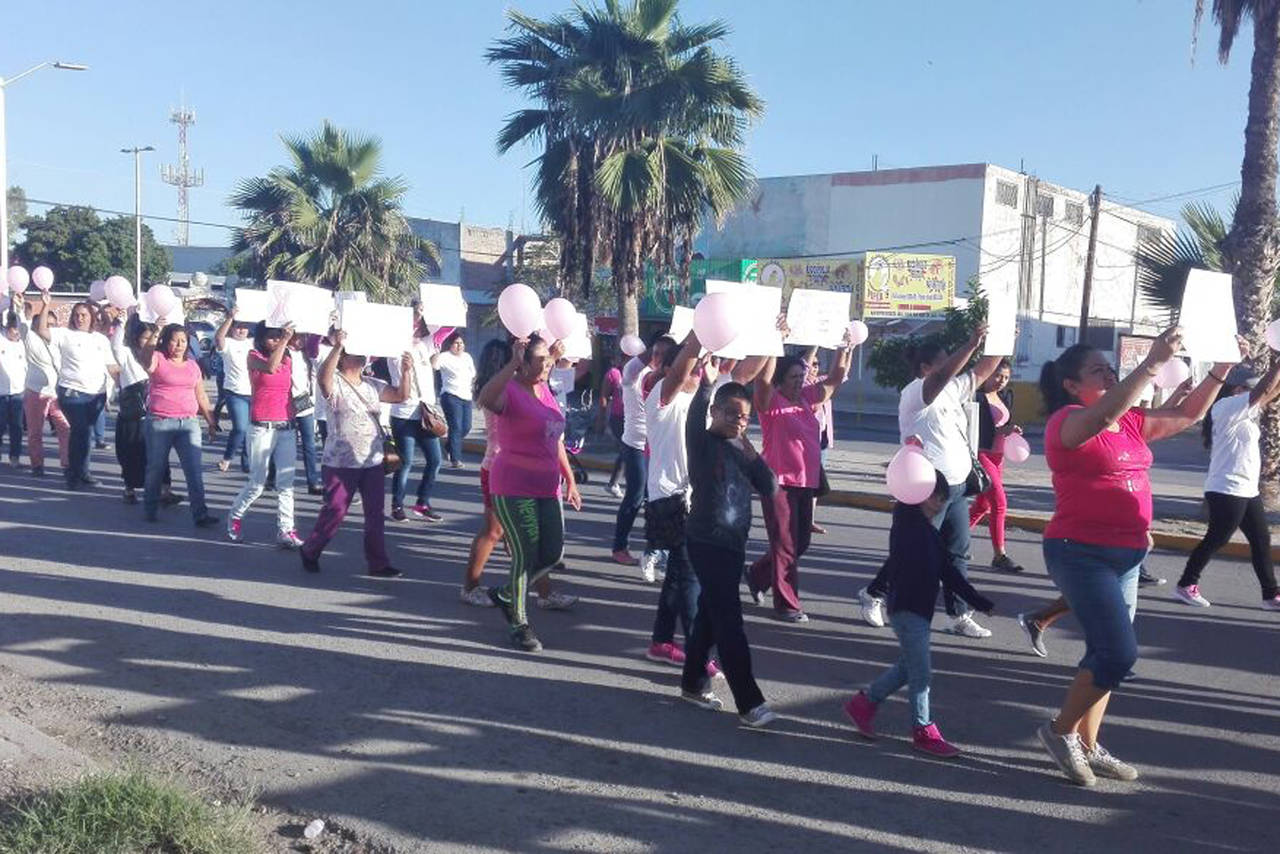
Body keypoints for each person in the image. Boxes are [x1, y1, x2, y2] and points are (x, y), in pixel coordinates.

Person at [1034, 329, 1240, 787]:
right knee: (1118, 652)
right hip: (1079, 552)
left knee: (1103, 655)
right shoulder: (1067, 421)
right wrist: (1149, 365)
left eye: (1111, 368)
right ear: (1071, 385)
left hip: (1126, 556)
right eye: (1098, 370)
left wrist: (1221, 369)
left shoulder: (1127, 421)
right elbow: (1100, 415)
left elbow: (1187, 413)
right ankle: (1058, 732)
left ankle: (1088, 743)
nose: (1109, 373)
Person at [859, 327, 1004, 638]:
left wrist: (1003, 338)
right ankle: (874, 594)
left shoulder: (954, 388)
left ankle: (959, 615)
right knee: (912, 552)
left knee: (958, 552)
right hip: (928, 489)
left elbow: (983, 369)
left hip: (958, 484)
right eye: (944, 361)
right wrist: (970, 342)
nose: (954, 366)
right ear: (926, 368)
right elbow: (940, 379)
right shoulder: (915, 392)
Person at [842, 470, 996, 757]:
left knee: (908, 667)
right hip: (906, 610)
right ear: (918, 494)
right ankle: (923, 731)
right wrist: (877, 590)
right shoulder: (906, 526)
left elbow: (948, 573)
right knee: (922, 673)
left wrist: (978, 600)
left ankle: (863, 704)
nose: (939, 505)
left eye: (941, 500)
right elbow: (898, 565)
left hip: (918, 611)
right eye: (936, 498)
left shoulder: (928, 532)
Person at [678, 372, 779, 728]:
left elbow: (770, 488)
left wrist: (753, 454)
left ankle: (692, 683)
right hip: (706, 541)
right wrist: (705, 384)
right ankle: (749, 702)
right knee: (729, 622)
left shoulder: (742, 450)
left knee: (709, 614)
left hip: (733, 546)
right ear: (716, 412)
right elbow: (694, 413)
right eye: (731, 414)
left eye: (745, 416)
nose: (738, 421)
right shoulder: (701, 442)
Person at [735, 332, 855, 622]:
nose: (801, 380)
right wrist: (774, 341)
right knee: (785, 544)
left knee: (799, 544)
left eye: (803, 375)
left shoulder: (807, 398)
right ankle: (787, 604)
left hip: (806, 482)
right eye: (794, 376)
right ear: (780, 378)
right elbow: (762, 382)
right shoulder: (770, 403)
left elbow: (836, 378)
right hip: (778, 483)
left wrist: (845, 347)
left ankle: (755, 574)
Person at [476, 335, 583, 652]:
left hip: (547, 486)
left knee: (551, 554)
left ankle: (506, 593)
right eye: (540, 361)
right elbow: (484, 397)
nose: (547, 365)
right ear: (522, 364)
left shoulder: (544, 389)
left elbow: (555, 438)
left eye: (548, 361)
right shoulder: (508, 390)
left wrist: (570, 479)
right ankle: (519, 624)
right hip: (513, 484)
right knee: (525, 553)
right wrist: (512, 363)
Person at [642, 330, 721, 677]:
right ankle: (698, 652)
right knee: (691, 579)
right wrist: (700, 331)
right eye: (690, 368)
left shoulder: (699, 398)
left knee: (677, 575)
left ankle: (661, 642)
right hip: (671, 500)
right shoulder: (662, 396)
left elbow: (744, 373)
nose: (695, 372)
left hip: (692, 498)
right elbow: (678, 370)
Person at [300, 332, 411, 577]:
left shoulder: (373, 384)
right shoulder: (335, 381)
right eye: (353, 353)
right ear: (343, 358)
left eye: (361, 353)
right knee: (336, 510)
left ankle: (378, 563)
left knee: (375, 514)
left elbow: (401, 395)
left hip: (371, 461)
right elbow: (323, 378)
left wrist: (406, 372)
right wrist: (338, 346)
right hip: (340, 461)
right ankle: (311, 549)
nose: (360, 357)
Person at [1175, 358, 1280, 610]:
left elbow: (1271, 392)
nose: (1257, 394)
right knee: (1217, 538)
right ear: (1237, 389)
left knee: (1260, 539)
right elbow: (1265, 391)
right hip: (1226, 488)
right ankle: (1186, 585)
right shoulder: (1226, 406)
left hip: (1246, 488)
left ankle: (1270, 595)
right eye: (1250, 388)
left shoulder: (1245, 410)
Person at [226, 322, 301, 547]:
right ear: (260, 339)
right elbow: (269, 368)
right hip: (262, 427)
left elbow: (289, 387)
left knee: (286, 483)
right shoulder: (253, 356)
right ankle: (235, 516)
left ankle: (286, 530)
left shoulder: (288, 358)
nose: (276, 341)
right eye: (272, 337)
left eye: (279, 337)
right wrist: (285, 341)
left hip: (286, 426)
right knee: (257, 483)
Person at [34, 295, 119, 490]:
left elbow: (112, 365)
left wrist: (125, 382)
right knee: (80, 430)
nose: (80, 318)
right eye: (77, 315)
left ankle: (84, 471)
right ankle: (73, 473)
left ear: (92, 317)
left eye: (84, 315)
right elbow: (42, 330)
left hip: (96, 395)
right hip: (72, 392)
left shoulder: (100, 339)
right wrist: (46, 305)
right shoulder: (65, 334)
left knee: (86, 433)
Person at [143, 323, 219, 527]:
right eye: (174, 340)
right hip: (160, 422)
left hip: (188, 423)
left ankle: (200, 514)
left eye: (183, 341)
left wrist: (211, 421)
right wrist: (155, 333)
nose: (179, 345)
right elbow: (145, 359)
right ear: (165, 341)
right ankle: (150, 507)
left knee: (194, 470)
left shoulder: (193, 366)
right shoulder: (158, 359)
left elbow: (201, 395)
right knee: (155, 468)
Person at [613, 335, 676, 567]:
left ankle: (655, 550)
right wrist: (661, 341)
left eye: (664, 355)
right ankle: (620, 546)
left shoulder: (672, 381)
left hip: (660, 447)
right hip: (636, 445)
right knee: (636, 495)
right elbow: (635, 364)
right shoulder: (634, 375)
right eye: (655, 353)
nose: (658, 358)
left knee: (658, 501)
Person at [111, 312, 178, 507]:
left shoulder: (158, 358)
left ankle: (166, 490)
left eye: (152, 338)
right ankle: (129, 489)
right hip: (133, 415)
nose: (149, 342)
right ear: (136, 338)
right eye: (145, 338)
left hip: (156, 413)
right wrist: (122, 321)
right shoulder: (127, 356)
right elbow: (116, 345)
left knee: (160, 453)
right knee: (131, 452)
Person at [969, 358, 1025, 573]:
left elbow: (1001, 424)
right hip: (982, 453)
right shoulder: (977, 397)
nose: (1001, 380)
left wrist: (1011, 429)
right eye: (998, 375)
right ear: (989, 373)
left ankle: (950, 542)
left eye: (1006, 377)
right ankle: (999, 555)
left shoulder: (1001, 396)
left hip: (998, 456)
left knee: (983, 505)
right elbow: (978, 427)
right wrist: (1002, 431)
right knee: (999, 502)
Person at [387, 318, 444, 523]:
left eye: (419, 327)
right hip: (403, 415)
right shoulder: (395, 348)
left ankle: (422, 502)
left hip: (425, 413)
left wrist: (458, 311)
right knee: (406, 462)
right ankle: (397, 505)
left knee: (435, 460)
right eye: (415, 326)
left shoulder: (424, 345)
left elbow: (444, 330)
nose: (418, 330)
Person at [20, 295, 69, 476]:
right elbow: (22, 324)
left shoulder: (60, 341)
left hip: (57, 393)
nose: (49, 328)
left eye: (52, 324)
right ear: (36, 326)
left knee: (65, 429)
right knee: (35, 432)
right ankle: (37, 465)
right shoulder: (30, 339)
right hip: (35, 392)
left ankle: (67, 464)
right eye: (45, 323)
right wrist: (43, 304)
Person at [215, 309, 252, 473]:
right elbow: (218, 338)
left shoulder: (253, 343)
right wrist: (230, 317)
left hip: (255, 393)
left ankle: (247, 463)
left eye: (245, 327)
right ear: (232, 328)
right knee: (240, 428)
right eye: (238, 327)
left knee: (252, 431)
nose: (241, 330)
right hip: (235, 393)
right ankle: (227, 458)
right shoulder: (228, 343)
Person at [435, 330, 476, 469]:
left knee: (466, 427)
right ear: (449, 345)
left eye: (461, 343)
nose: (459, 346)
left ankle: (449, 446)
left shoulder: (467, 357)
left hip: (466, 396)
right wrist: (436, 349)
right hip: (451, 395)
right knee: (456, 427)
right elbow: (434, 365)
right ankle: (455, 459)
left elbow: (473, 374)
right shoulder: (444, 357)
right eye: (456, 343)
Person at [289, 335, 323, 496]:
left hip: (304, 402)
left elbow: (316, 345)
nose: (301, 340)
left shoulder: (306, 355)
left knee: (309, 444)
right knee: (285, 443)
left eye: (304, 337)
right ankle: (274, 476)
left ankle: (313, 481)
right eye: (298, 337)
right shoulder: (284, 353)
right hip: (287, 401)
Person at [0, 309, 27, 466]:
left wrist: (19, 306)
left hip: (18, 393)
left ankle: (14, 456)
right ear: (6, 328)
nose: (16, 332)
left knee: (16, 427)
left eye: (18, 329)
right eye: (13, 329)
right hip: (1, 393)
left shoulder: (23, 344)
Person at [599, 353, 627, 498]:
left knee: (627, 451)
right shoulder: (614, 373)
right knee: (626, 449)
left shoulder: (640, 372)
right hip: (618, 418)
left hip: (633, 419)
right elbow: (604, 395)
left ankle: (613, 483)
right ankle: (614, 483)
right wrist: (602, 418)